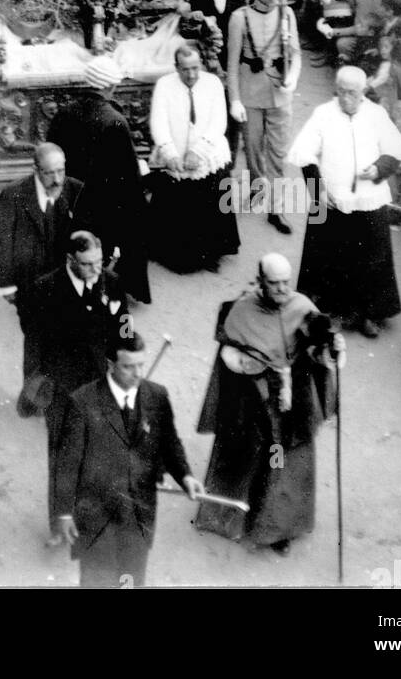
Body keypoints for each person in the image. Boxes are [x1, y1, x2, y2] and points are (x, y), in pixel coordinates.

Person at [195, 254, 344, 554]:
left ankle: (278, 529)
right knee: (244, 457)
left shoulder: (302, 307)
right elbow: (229, 358)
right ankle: (229, 517)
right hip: (253, 400)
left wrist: (330, 348)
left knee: (287, 463)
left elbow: (316, 354)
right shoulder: (242, 310)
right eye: (274, 283)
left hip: (293, 401)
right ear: (261, 282)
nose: (282, 290)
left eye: (286, 282)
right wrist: (249, 365)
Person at [55, 332, 202, 588]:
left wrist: (186, 475)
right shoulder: (82, 401)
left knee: (132, 580)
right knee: (96, 581)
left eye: (140, 365)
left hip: (138, 514)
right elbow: (68, 461)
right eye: (128, 367)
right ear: (110, 366)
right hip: (96, 516)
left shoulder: (156, 396)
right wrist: (65, 512)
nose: (137, 374)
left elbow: (170, 443)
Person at [288, 66, 401, 337]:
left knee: (372, 256)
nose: (346, 98)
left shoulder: (376, 114)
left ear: (363, 92)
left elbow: (395, 150)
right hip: (333, 199)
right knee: (329, 256)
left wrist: (379, 168)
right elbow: (304, 154)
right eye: (342, 92)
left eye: (352, 93)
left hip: (368, 199)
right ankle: (329, 310)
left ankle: (369, 312)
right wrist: (317, 191)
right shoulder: (323, 114)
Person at [19, 230, 126, 546]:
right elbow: (33, 343)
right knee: (62, 456)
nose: (96, 270)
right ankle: (59, 524)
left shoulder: (111, 282)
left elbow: (123, 328)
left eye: (99, 261)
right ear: (70, 260)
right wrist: (34, 386)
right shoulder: (45, 289)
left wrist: (129, 361)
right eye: (87, 264)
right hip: (62, 389)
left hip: (102, 384)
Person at [48, 56, 150, 304]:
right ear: (109, 86)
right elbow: (127, 175)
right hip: (104, 203)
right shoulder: (114, 120)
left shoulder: (64, 112)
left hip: (70, 196)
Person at [0, 141, 87, 362]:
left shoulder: (76, 189)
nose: (56, 179)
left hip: (67, 282)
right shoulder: (13, 195)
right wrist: (5, 283)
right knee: (36, 345)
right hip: (30, 285)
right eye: (49, 173)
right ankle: (33, 394)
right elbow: (2, 242)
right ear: (36, 170)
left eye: (61, 171)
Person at [148, 43, 236, 272]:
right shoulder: (164, 85)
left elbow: (219, 122)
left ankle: (211, 253)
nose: (191, 74)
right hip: (175, 153)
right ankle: (177, 255)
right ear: (176, 67)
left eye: (195, 68)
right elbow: (158, 121)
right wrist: (169, 153)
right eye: (185, 69)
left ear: (202, 65)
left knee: (210, 201)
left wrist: (199, 151)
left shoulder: (213, 83)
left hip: (207, 153)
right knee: (177, 205)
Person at [226, 0, 301, 234]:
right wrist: (235, 99)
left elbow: (295, 52)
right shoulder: (239, 17)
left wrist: (292, 76)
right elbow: (232, 63)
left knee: (278, 153)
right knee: (254, 150)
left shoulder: (286, 13)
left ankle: (276, 208)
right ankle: (258, 190)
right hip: (250, 89)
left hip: (280, 90)